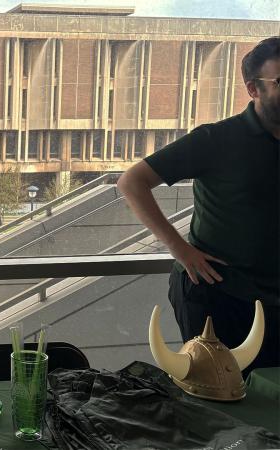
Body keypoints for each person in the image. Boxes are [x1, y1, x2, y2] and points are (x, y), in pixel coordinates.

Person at [117, 37, 279, 372]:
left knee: (269, 399)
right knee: (216, 395)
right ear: (253, 89)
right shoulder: (217, 139)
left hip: (274, 298)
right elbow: (132, 182)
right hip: (218, 294)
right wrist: (179, 248)